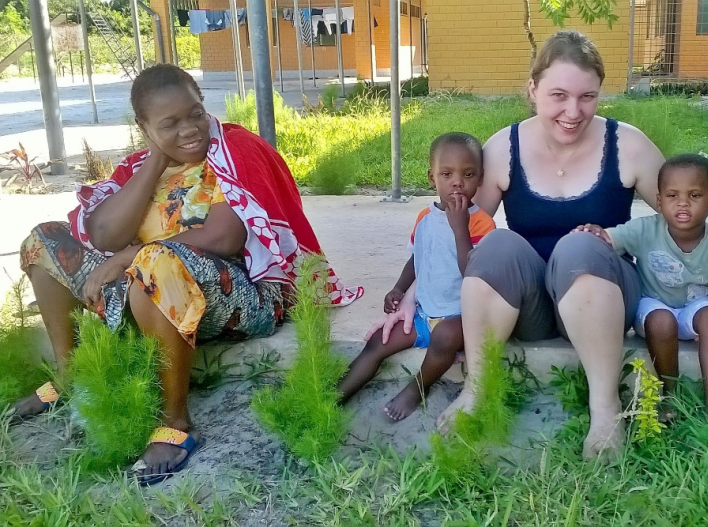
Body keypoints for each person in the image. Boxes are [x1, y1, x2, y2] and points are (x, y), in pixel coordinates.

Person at [12, 64, 362, 484]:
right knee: (44, 239)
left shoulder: (235, 151)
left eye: (195, 113)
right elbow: (104, 234)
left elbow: (226, 236)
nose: (190, 129)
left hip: (240, 293)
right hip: (147, 290)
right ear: (144, 127)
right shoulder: (139, 166)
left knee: (155, 261)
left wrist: (132, 255)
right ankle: (69, 376)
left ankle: (176, 420)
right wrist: (157, 160)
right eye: (169, 123)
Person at [372, 30, 665, 460]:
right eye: (559, 95)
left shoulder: (629, 145)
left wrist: (697, 284)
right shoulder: (503, 148)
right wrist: (411, 297)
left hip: (601, 298)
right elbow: (453, 228)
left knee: (578, 245)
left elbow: (681, 218)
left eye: (587, 97)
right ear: (532, 89)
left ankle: (604, 410)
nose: (573, 111)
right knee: (497, 243)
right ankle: (476, 390)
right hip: (531, 307)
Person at [576, 154, 708, 422]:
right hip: (653, 304)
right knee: (661, 321)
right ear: (659, 201)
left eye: (694, 195)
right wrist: (595, 232)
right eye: (672, 195)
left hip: (694, 305)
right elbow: (608, 239)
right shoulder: (646, 230)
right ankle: (669, 397)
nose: (682, 203)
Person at [338, 133, 495, 421]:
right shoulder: (424, 217)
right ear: (431, 178)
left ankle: (417, 389)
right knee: (377, 342)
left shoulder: (483, 223)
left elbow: (473, 274)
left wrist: (460, 229)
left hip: (460, 319)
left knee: (446, 337)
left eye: (468, 174)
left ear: (480, 179)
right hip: (424, 315)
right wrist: (398, 289)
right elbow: (417, 258)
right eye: (447, 174)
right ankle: (331, 399)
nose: (457, 182)